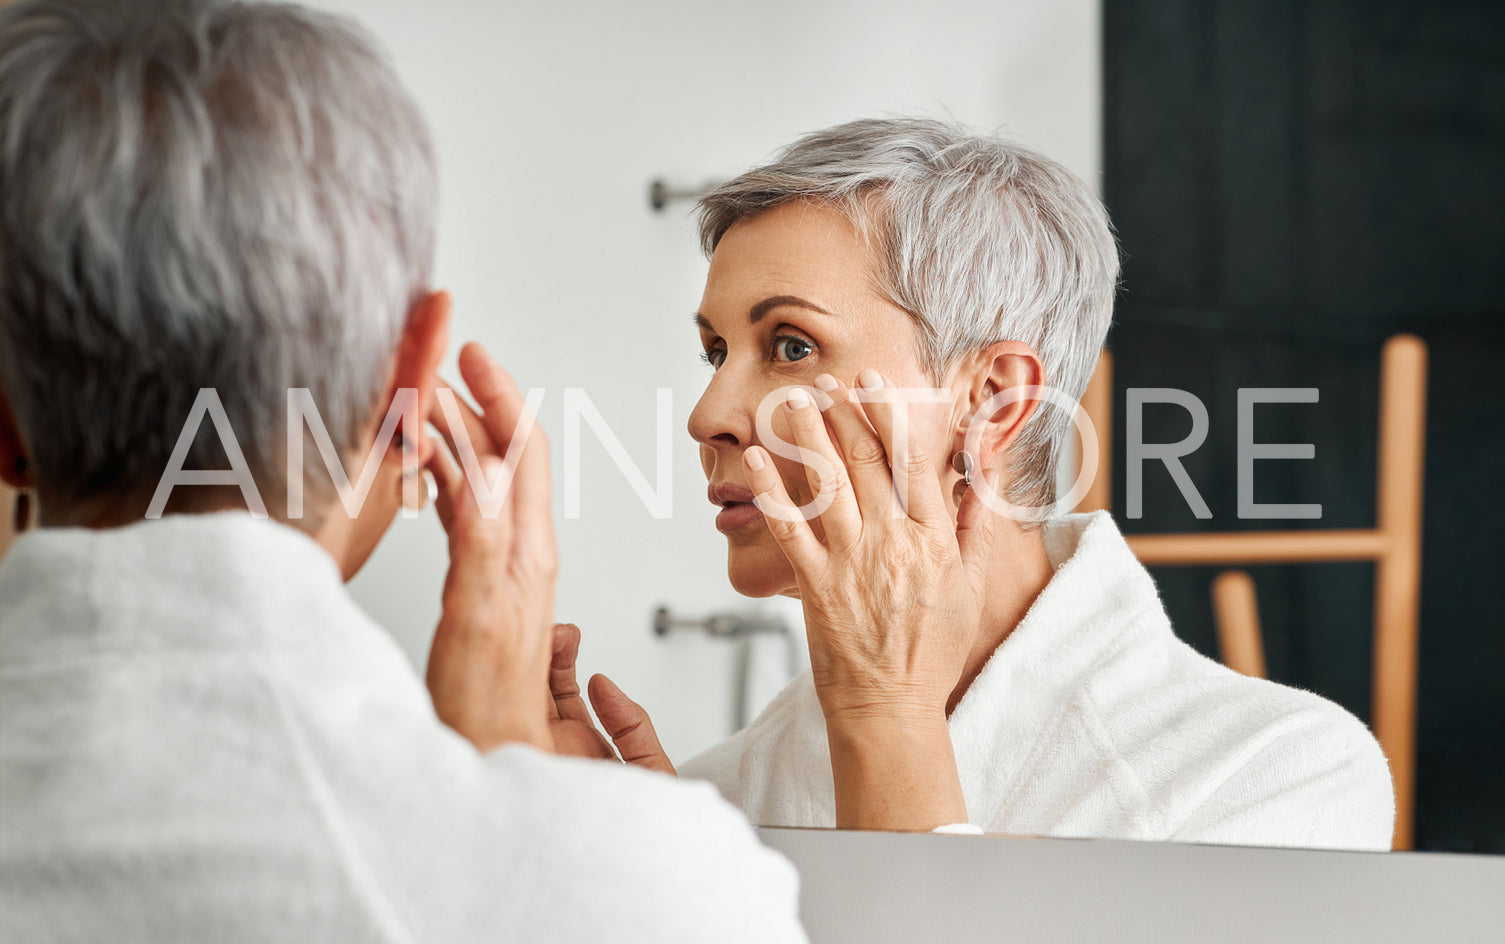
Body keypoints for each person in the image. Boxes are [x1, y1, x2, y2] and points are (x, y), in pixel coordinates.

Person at [0, 2, 805, 940]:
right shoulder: (652, 888)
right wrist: (532, 806)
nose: (710, 417)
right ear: (409, 372)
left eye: (788, 345)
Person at [558, 118, 1396, 851]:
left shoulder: (1276, 778)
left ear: (990, 400)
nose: (709, 415)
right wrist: (660, 896)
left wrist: (886, 714)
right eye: (715, 353)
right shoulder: (713, 805)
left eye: (789, 346)